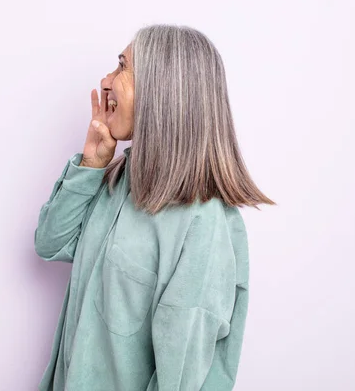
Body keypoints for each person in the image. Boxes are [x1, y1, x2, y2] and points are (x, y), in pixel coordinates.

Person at [34, 23, 275, 391]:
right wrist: (91, 165)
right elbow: (49, 243)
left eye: (122, 67)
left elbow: (179, 380)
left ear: (162, 90)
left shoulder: (203, 225)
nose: (106, 80)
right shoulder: (116, 183)